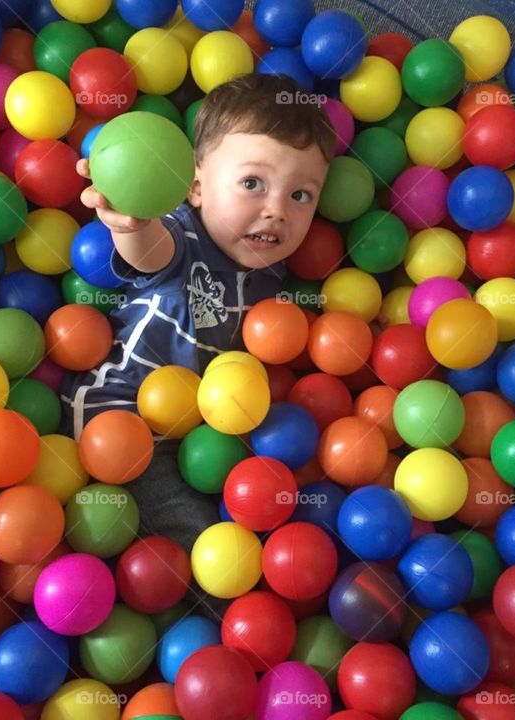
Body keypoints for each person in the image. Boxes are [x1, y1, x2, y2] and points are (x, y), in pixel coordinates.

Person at [60, 73, 335, 579]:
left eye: (301, 195)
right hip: (119, 416)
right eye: (253, 183)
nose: (276, 210)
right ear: (196, 187)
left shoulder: (272, 276)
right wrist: (133, 223)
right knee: (188, 538)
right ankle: (202, 609)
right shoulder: (183, 235)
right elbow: (149, 255)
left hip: (197, 433)